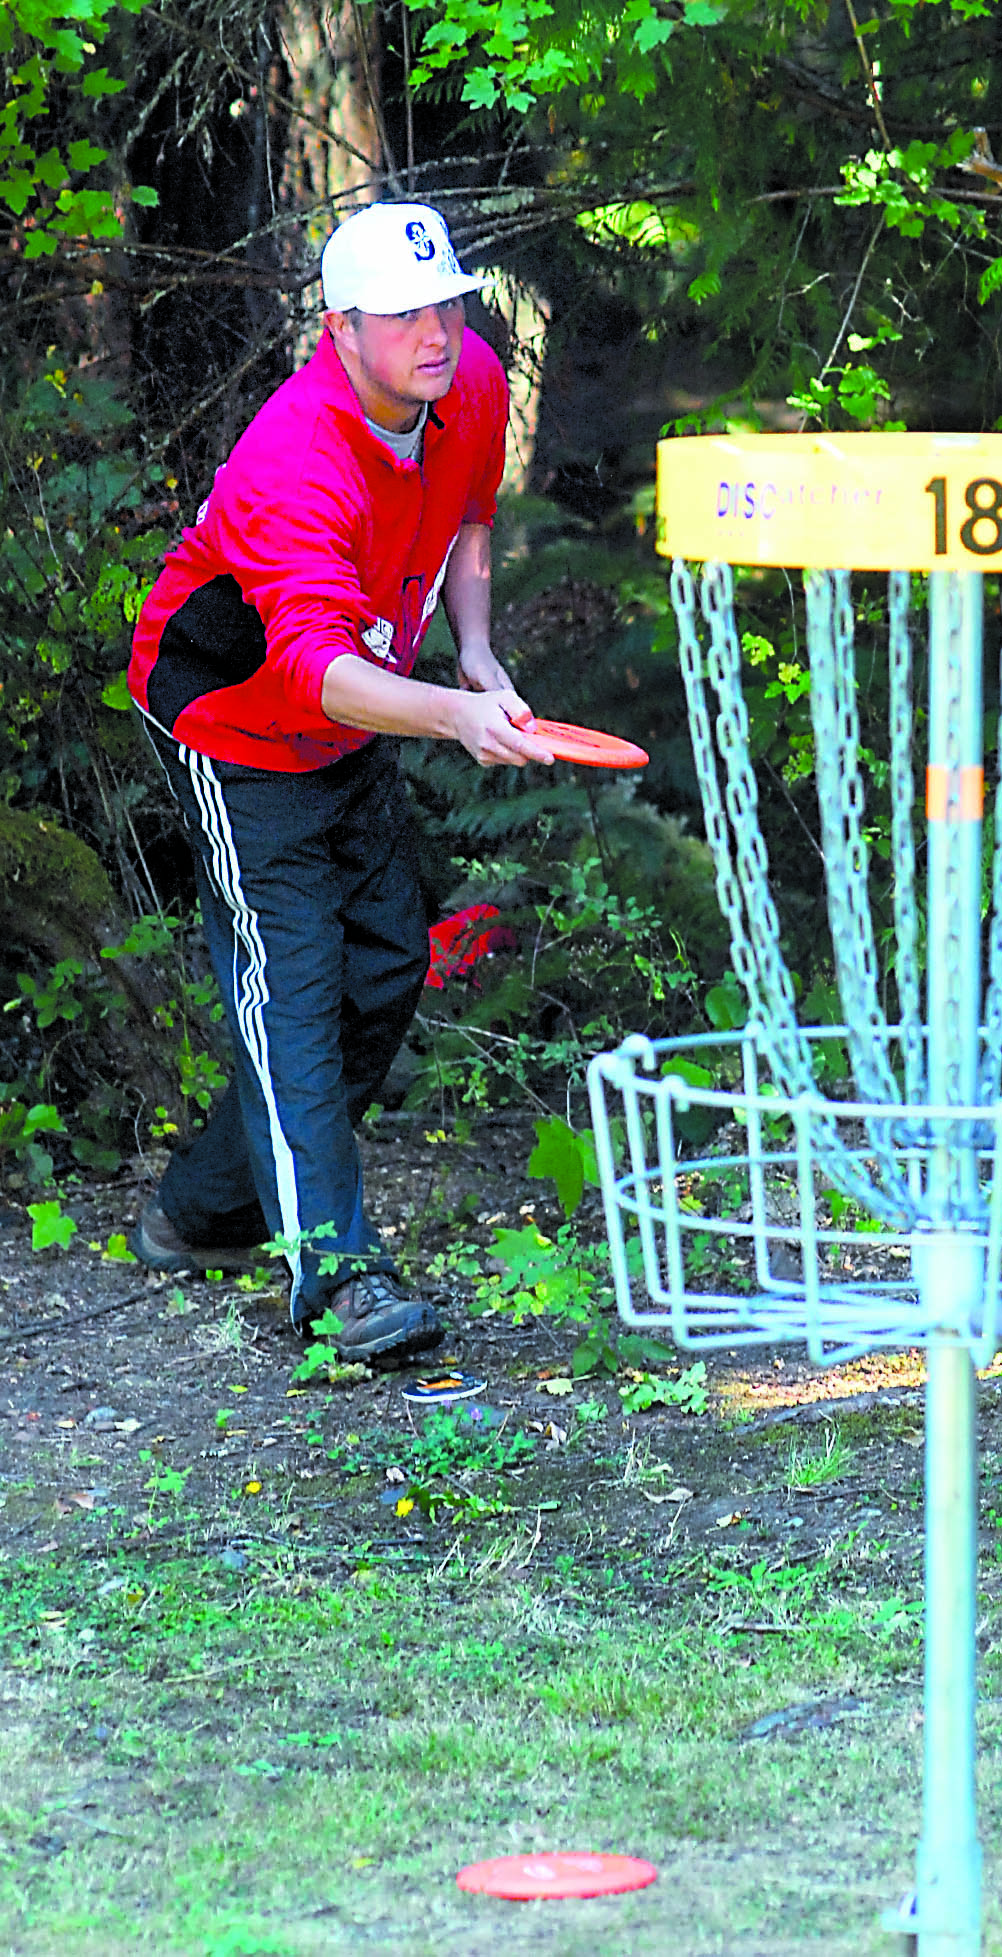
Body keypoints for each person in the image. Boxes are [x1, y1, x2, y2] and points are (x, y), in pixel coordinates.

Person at [126, 201, 554, 1364]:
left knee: (388, 964)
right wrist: (456, 717)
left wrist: (473, 651)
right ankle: (339, 1276)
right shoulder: (294, 456)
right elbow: (316, 676)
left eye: (446, 302)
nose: (436, 329)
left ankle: (203, 1209)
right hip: (238, 723)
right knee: (296, 979)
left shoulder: (461, 380)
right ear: (341, 328)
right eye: (405, 312)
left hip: (365, 703)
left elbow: (468, 522)